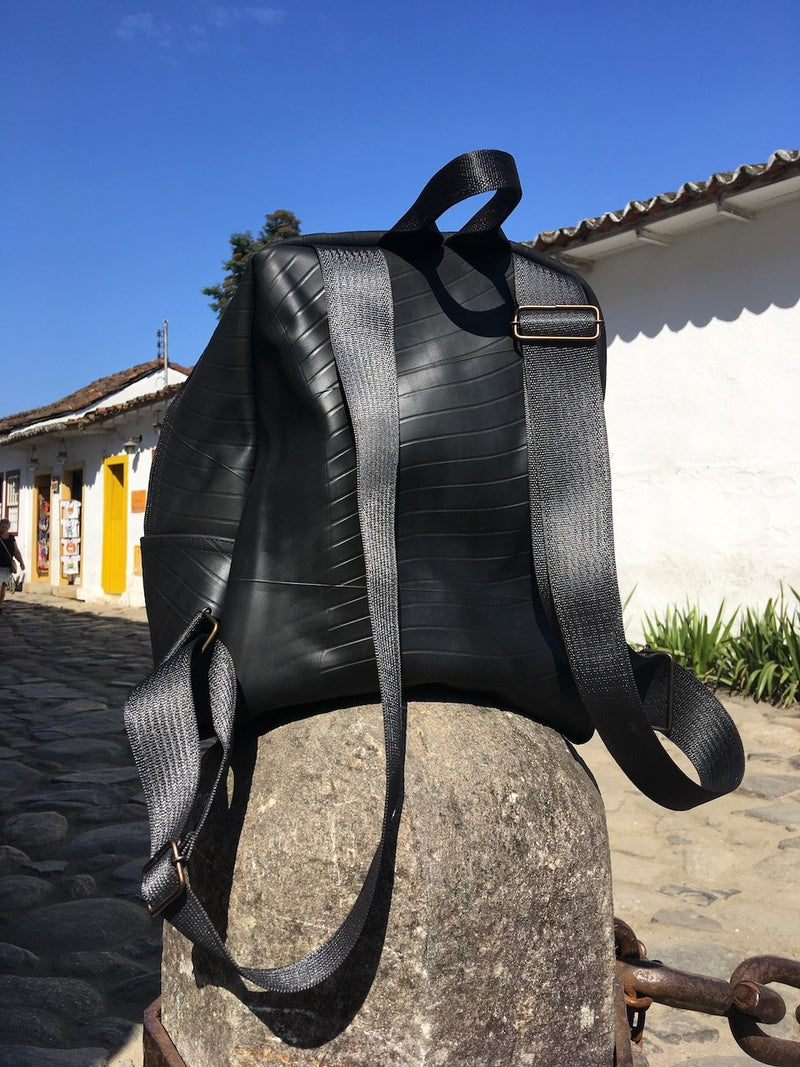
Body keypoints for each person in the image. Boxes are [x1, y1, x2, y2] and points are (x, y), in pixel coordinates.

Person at [0, 518, 25, 612]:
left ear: (9, 528)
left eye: (6, 527)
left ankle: (0, 605)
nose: (4, 529)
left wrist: (21, 562)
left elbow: (16, 551)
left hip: (7, 567)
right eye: (2, 527)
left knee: (3, 587)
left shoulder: (11, 538)